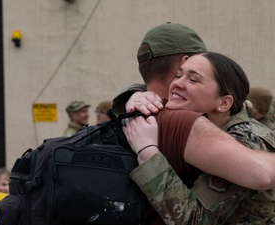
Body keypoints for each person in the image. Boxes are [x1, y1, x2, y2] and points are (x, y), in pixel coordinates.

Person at [112, 22, 275, 224]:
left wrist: (148, 155)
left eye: (194, 80)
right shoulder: (211, 122)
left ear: (224, 103)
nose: (177, 83)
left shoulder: (244, 141)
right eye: (178, 75)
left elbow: (196, 220)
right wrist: (135, 95)